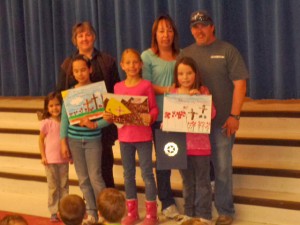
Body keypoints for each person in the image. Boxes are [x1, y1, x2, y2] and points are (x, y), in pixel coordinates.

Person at [180, 10, 249, 225]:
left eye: (203, 25)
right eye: (194, 27)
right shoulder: (186, 54)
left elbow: (240, 84)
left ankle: (225, 210)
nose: (199, 30)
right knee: (196, 172)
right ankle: (199, 211)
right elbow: (178, 85)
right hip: (193, 128)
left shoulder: (228, 51)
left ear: (212, 27)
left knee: (222, 167)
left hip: (221, 124)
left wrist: (234, 115)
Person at [57, 21, 120, 189]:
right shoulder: (67, 65)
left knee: (105, 169)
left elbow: (116, 92)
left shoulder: (107, 61)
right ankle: (92, 209)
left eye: (88, 34)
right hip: (78, 132)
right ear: (75, 40)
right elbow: (62, 98)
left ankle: (110, 209)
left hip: (103, 128)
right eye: (80, 35)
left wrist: (109, 117)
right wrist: (63, 137)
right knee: (85, 175)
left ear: (94, 37)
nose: (84, 38)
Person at [109, 49, 159, 225]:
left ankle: (152, 215)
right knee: (128, 174)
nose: (132, 66)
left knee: (147, 174)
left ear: (141, 64)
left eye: (135, 62)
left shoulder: (146, 85)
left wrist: (151, 117)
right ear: (122, 65)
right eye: (128, 63)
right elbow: (114, 112)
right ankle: (132, 213)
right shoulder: (117, 87)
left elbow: (153, 108)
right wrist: (109, 116)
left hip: (143, 136)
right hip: (125, 137)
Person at [60, 55, 112, 224]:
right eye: (76, 71)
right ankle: (91, 212)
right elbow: (64, 119)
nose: (80, 73)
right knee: (83, 179)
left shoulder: (99, 92)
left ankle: (105, 212)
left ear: (90, 69)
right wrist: (63, 141)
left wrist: (95, 125)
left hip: (93, 140)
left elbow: (109, 118)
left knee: (96, 177)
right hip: (74, 141)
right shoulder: (70, 93)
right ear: (73, 74)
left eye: (83, 69)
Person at [141, 14, 182, 221]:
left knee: (182, 156)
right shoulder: (147, 57)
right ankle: (166, 201)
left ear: (174, 33)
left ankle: (193, 197)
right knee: (166, 159)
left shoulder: (182, 55)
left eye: (169, 30)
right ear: (155, 34)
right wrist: (168, 90)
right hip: (159, 116)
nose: (165, 35)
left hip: (181, 115)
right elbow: (145, 85)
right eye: (161, 30)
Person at [171, 57, 216, 225]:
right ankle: (189, 213)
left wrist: (200, 100)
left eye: (189, 73)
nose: (185, 77)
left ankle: (205, 215)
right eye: (181, 73)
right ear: (176, 76)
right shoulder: (174, 93)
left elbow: (211, 114)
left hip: (201, 146)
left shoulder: (203, 91)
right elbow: (170, 117)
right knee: (187, 182)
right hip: (182, 148)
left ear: (195, 74)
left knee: (203, 181)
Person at [38, 91, 70, 222]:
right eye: (51, 106)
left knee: (64, 185)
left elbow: (67, 140)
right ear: (47, 108)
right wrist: (43, 156)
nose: (54, 108)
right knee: (53, 187)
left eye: (57, 105)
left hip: (63, 159)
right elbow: (40, 140)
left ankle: (64, 209)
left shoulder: (65, 121)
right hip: (50, 161)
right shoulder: (46, 123)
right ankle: (53, 210)